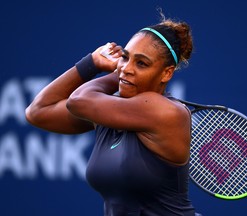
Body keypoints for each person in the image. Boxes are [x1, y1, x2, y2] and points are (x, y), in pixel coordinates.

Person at [26, 12, 202, 216]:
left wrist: (110, 71)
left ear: (166, 73)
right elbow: (38, 112)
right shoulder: (111, 110)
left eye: (141, 63)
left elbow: (78, 101)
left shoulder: (164, 111)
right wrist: (92, 62)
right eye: (125, 58)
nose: (127, 68)